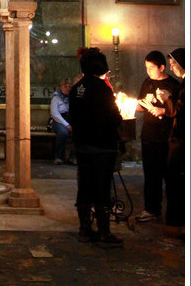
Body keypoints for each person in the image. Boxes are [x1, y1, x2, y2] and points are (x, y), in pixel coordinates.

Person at [68, 47, 124, 247]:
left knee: (84, 187)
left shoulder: (77, 89)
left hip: (83, 147)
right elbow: (113, 116)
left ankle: (84, 229)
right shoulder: (102, 89)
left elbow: (72, 116)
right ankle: (103, 232)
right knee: (101, 189)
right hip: (102, 146)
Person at [134, 50, 180, 223]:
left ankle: (174, 214)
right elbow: (140, 105)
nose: (149, 71)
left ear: (162, 67)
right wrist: (129, 102)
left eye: (152, 67)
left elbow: (178, 111)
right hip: (149, 135)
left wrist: (164, 110)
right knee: (150, 174)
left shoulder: (174, 85)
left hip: (167, 137)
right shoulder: (147, 82)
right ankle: (151, 209)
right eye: (146, 67)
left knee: (169, 176)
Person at [160, 47, 185, 238]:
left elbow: (179, 112)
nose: (171, 67)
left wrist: (167, 98)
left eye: (173, 64)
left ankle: (178, 222)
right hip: (178, 138)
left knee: (177, 181)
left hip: (181, 140)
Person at [50, 78, 75, 165]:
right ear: (61, 87)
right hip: (59, 120)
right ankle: (58, 156)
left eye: (69, 86)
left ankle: (73, 157)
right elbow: (55, 113)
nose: (67, 88)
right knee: (63, 133)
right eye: (65, 86)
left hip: (70, 119)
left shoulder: (73, 98)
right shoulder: (56, 98)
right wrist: (66, 124)